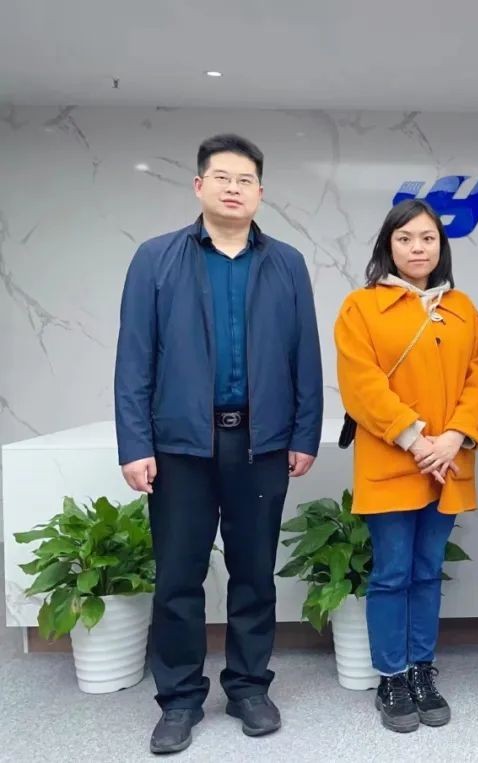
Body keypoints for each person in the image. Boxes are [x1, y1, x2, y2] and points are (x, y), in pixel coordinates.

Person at [114, 134, 323, 754]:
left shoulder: (286, 262)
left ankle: (249, 687)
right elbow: (134, 359)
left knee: (253, 573)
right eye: (223, 178)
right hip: (180, 447)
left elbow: (305, 355)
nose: (234, 188)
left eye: (246, 180)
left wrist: (304, 433)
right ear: (199, 185)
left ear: (261, 192)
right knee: (178, 576)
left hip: (260, 444)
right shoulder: (156, 258)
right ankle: (179, 699)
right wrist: (135, 443)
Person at [334, 199, 478, 733]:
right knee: (392, 573)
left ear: (441, 246)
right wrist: (415, 437)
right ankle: (392, 677)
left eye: (427, 238)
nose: (417, 248)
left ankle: (422, 670)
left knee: (427, 571)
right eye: (405, 239)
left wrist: (453, 437)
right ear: (389, 246)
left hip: (448, 461)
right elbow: (361, 384)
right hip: (392, 459)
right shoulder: (361, 307)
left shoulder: (463, 308)